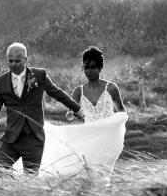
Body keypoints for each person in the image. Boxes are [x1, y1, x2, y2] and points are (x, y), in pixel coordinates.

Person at [0, 42, 83, 174]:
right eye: (10, 61)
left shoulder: (39, 75)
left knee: (29, 178)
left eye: (17, 61)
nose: (13, 64)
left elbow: (57, 93)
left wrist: (77, 109)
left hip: (34, 139)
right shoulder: (1, 81)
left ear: (25, 60)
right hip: (11, 139)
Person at [36, 45, 129, 179]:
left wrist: (116, 125)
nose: (89, 71)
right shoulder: (79, 91)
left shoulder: (111, 89)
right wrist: (72, 114)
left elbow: (121, 113)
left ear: (100, 68)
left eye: (93, 67)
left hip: (107, 138)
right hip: (90, 137)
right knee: (88, 172)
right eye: (86, 67)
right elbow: (70, 114)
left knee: (103, 172)